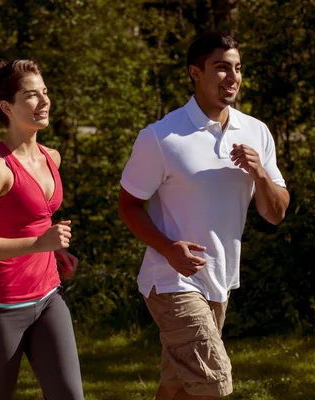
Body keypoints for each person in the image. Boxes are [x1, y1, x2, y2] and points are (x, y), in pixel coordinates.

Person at [118, 32, 290, 400]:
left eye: (238, 68)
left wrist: (260, 174)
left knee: (178, 386)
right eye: (221, 68)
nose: (233, 77)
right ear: (195, 73)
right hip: (171, 283)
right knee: (213, 383)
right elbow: (128, 205)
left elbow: (275, 214)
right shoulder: (162, 137)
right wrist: (168, 249)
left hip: (219, 281)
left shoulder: (256, 132)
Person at [0, 59, 84, 400]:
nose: (44, 101)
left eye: (45, 92)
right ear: (7, 106)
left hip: (48, 298)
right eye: (31, 95)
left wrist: (56, 252)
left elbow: (33, 224)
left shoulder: (51, 157)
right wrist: (39, 243)